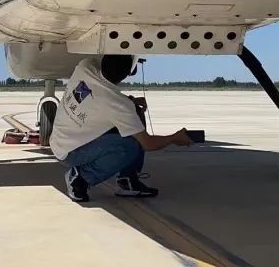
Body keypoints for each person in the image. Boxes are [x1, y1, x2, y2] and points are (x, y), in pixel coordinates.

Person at [50, 54, 193, 202]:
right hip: (72, 153)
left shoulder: (85, 66)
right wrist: (174, 138)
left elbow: (99, 96)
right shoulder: (119, 105)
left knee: (133, 117)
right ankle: (80, 178)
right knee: (131, 146)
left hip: (59, 140)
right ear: (126, 75)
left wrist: (129, 101)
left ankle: (127, 181)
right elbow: (148, 143)